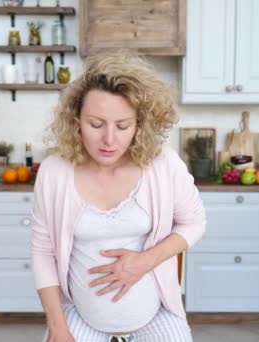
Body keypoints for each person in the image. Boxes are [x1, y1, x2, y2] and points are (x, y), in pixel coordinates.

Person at [31, 50, 206, 342]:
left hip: (156, 315)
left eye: (123, 126)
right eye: (96, 124)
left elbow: (195, 223)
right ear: (76, 121)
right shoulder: (54, 172)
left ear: (139, 125)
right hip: (80, 315)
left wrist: (146, 261)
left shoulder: (163, 164)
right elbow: (42, 252)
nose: (109, 139)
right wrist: (58, 327)